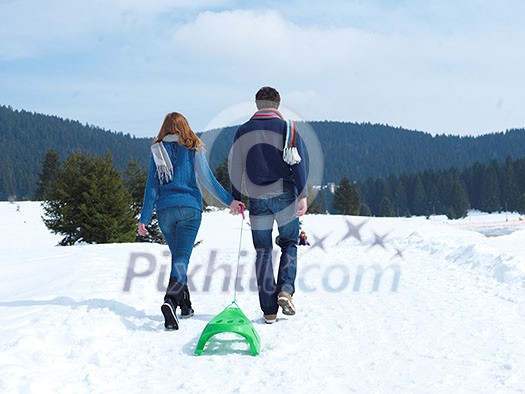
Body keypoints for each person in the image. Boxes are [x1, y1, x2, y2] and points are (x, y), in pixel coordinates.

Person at [138, 112, 244, 331]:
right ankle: (171, 300)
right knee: (182, 258)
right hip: (190, 209)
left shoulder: (157, 151)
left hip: (165, 211)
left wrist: (144, 218)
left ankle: (185, 305)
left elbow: (151, 187)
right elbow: (209, 181)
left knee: (178, 257)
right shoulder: (192, 148)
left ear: (164, 127)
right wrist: (230, 201)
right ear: (185, 127)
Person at [230, 86, 307, 324]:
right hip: (285, 195)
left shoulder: (243, 130)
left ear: (257, 104)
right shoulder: (288, 128)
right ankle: (285, 290)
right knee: (289, 243)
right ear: (278, 104)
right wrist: (302, 194)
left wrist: (236, 196)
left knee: (262, 251)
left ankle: (269, 311)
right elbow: (299, 164)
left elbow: (235, 167)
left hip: (257, 198)